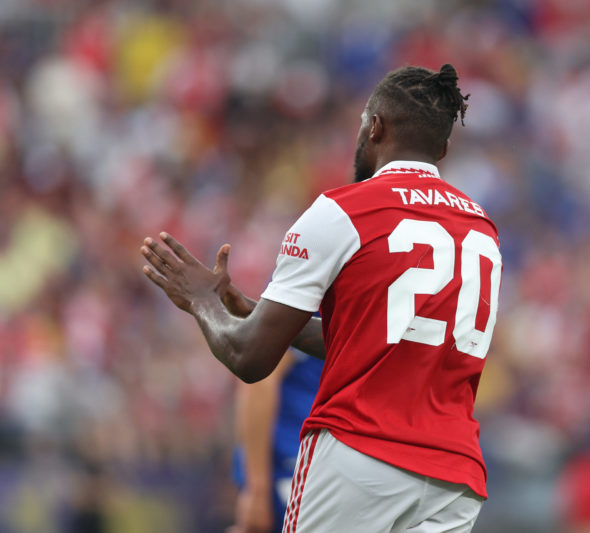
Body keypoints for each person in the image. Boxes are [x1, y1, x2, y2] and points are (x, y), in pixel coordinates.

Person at [140, 63, 503, 532]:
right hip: (454, 474)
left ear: (375, 126)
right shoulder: (482, 227)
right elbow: (385, 340)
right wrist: (262, 313)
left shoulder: (342, 210)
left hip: (359, 453)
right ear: (444, 148)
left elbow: (250, 360)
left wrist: (201, 301)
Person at [228, 350, 323, 533]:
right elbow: (259, 378)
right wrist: (257, 489)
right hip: (290, 469)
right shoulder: (305, 319)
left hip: (304, 468)